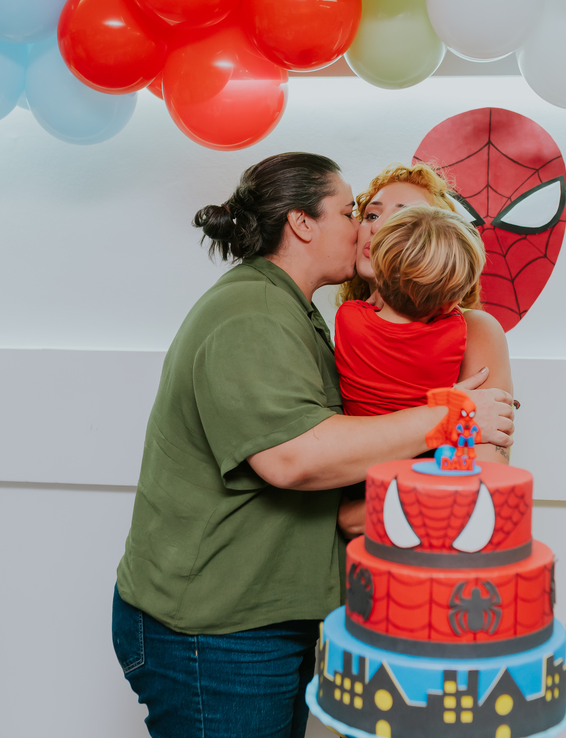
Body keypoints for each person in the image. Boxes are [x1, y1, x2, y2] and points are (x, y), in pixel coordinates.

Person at [111, 153, 514, 738]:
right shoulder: (252, 312)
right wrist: (453, 416)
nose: (366, 228)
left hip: (277, 619)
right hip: (219, 631)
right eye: (355, 211)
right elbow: (293, 456)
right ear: (302, 224)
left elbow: (480, 481)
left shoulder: (307, 313)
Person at [338, 163, 513, 462]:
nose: (379, 229)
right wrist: (444, 413)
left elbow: (485, 468)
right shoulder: (346, 323)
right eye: (371, 215)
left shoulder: (475, 328)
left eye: (405, 219)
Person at [335, 206, 485, 418]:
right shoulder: (454, 329)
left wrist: (383, 290)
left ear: (379, 269)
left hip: (362, 446)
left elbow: (365, 305)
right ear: (450, 303)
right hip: (428, 448)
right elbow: (451, 309)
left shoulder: (347, 317)